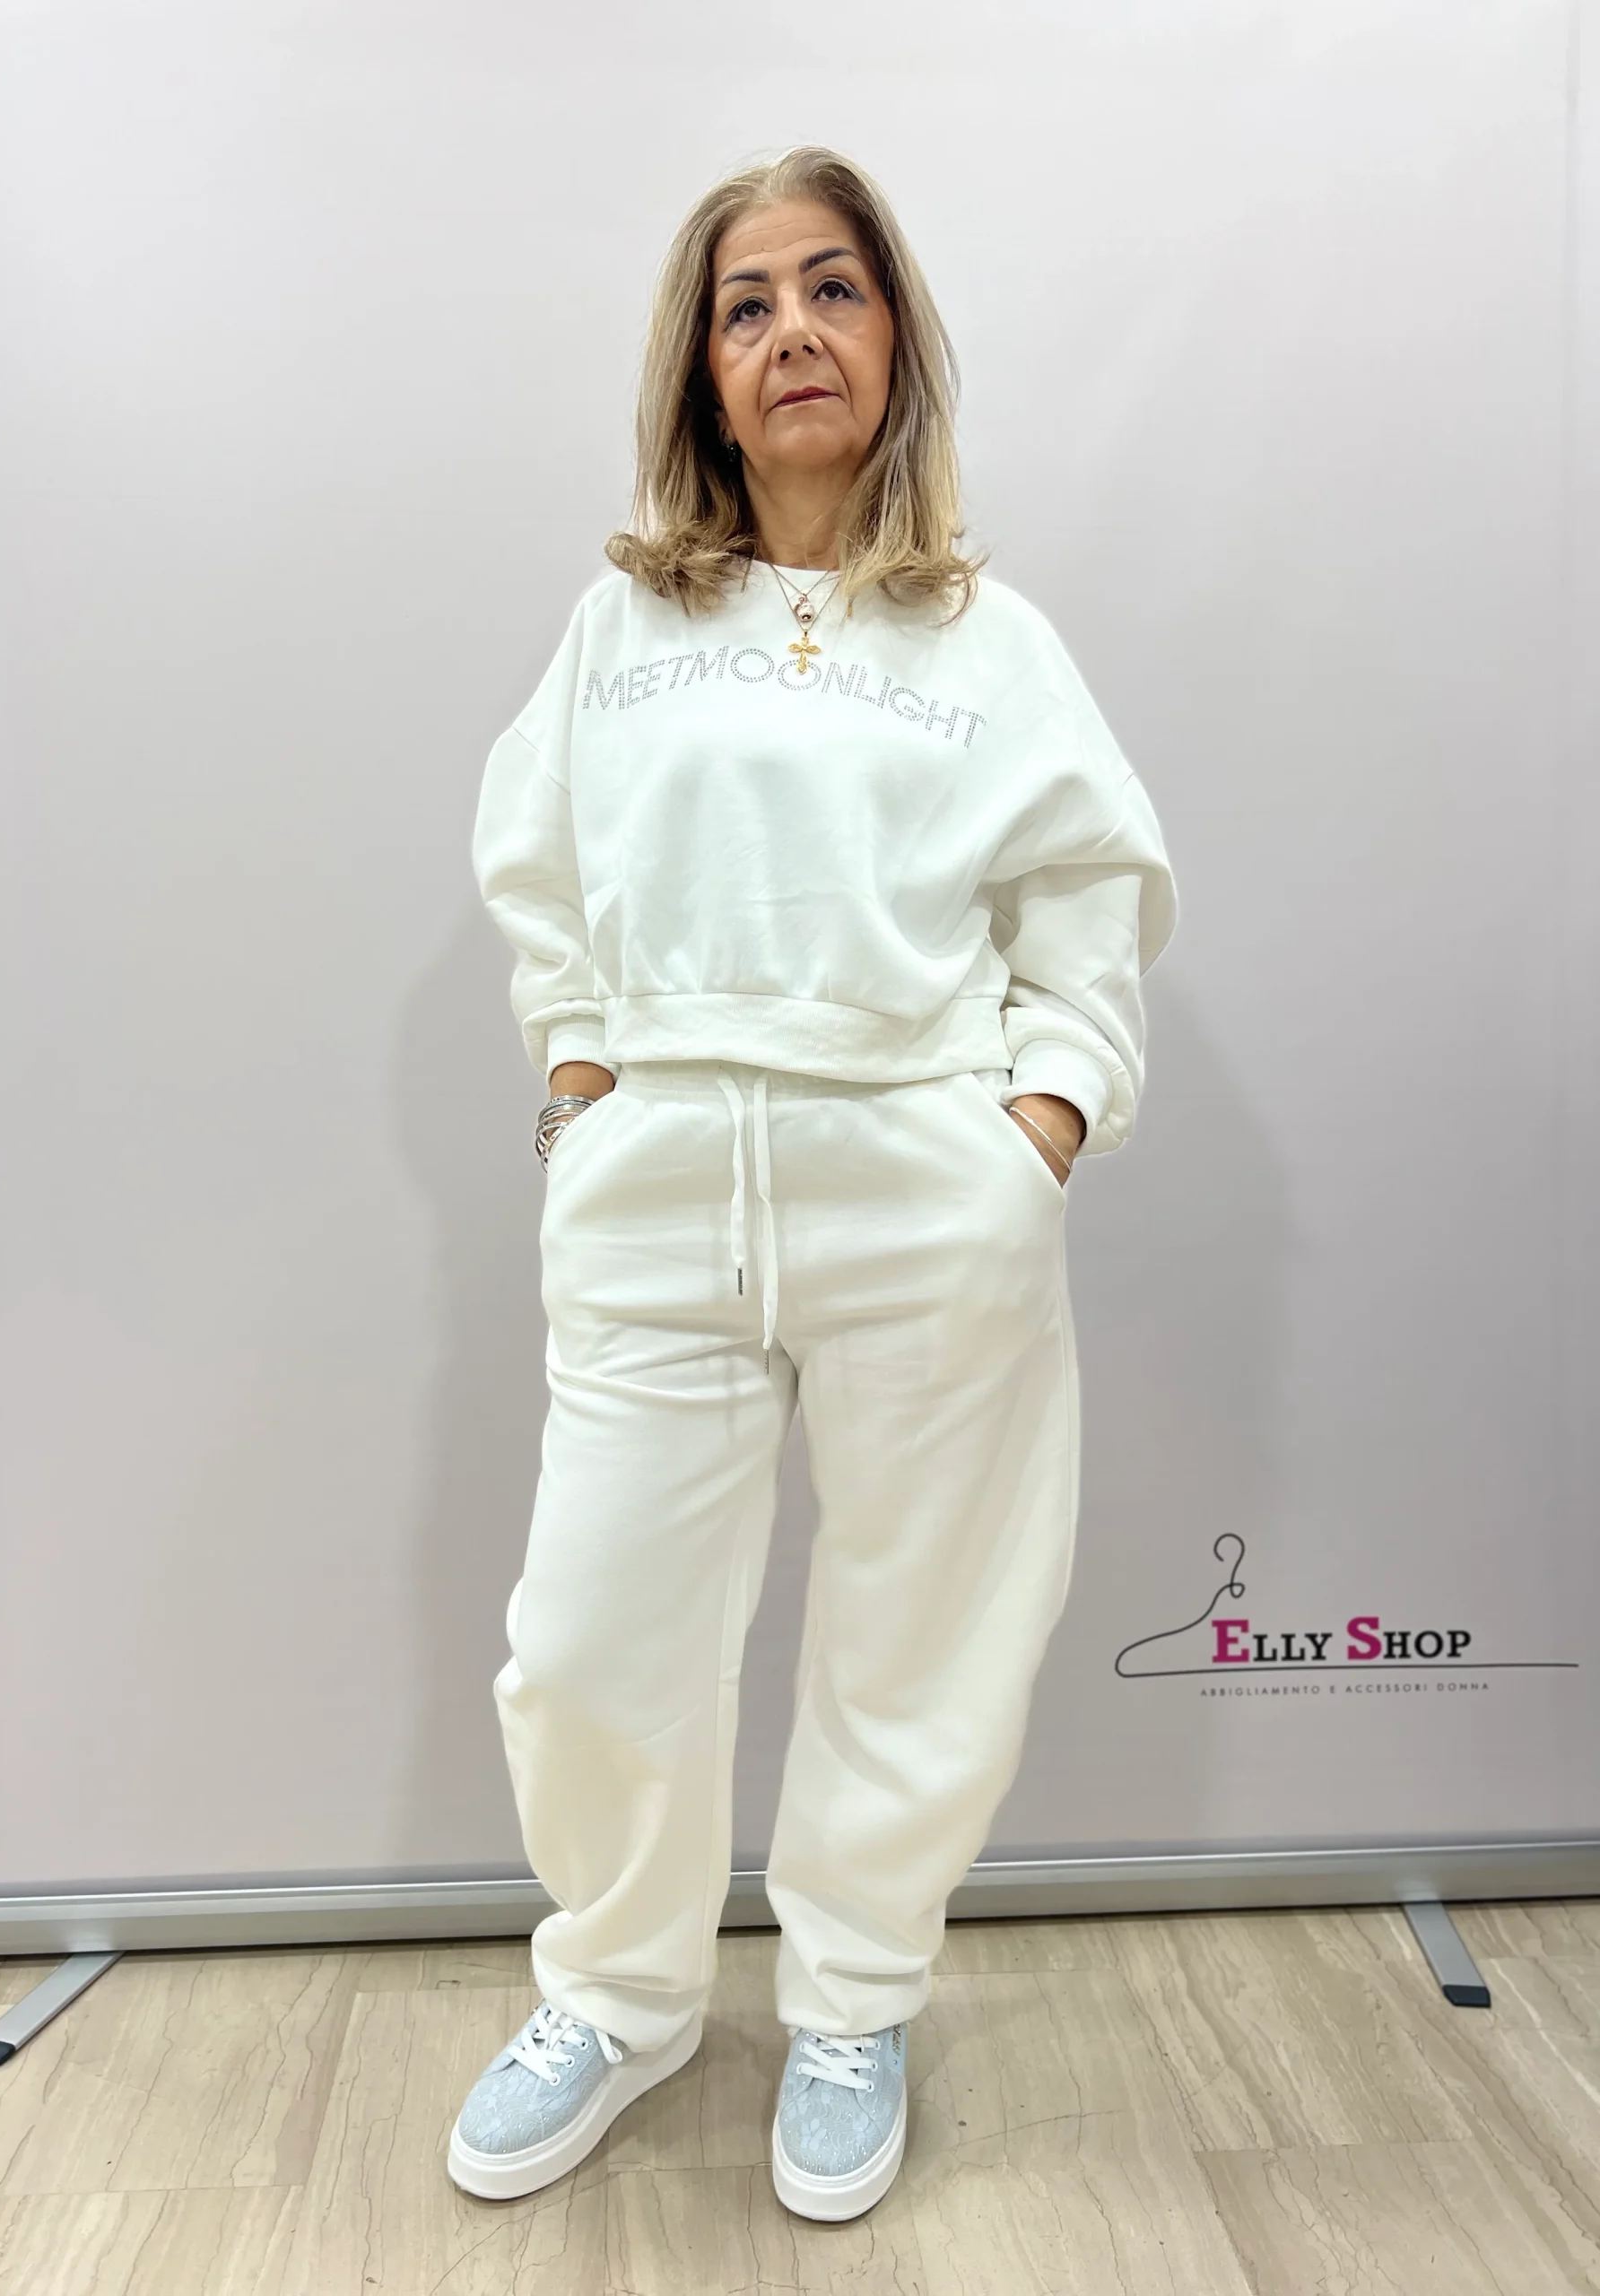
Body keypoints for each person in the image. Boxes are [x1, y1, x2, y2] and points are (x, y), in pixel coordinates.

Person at [450, 144, 1177, 2221]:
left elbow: (1088, 901)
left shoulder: (986, 639)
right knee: (590, 1638)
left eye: (833, 288)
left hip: (921, 1188)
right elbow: (539, 871)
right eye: (748, 301)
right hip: (662, 1185)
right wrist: (582, 1076)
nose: (792, 332)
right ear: (701, 365)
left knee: (926, 1628)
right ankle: (618, 1992)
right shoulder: (625, 626)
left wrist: (1040, 1125)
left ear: (895, 338)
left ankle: (855, 1996)